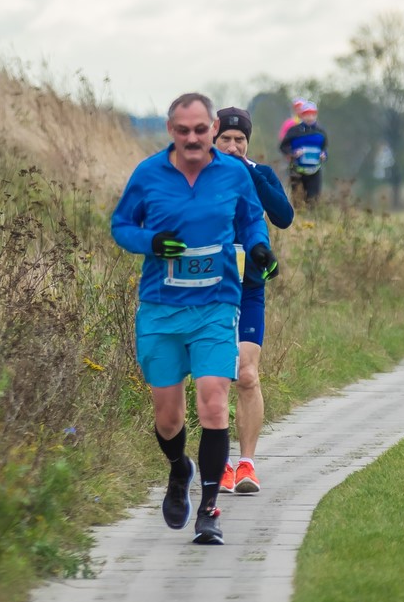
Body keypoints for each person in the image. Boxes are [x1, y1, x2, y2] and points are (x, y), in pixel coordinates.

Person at [112, 93, 277, 546]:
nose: (192, 138)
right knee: (168, 419)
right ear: (171, 130)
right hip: (161, 308)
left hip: (216, 304)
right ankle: (178, 468)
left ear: (212, 129)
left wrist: (259, 247)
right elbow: (121, 226)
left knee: (213, 401)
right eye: (183, 130)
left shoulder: (233, 174)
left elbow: (252, 221)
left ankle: (208, 510)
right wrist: (150, 242)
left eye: (200, 130)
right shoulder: (149, 174)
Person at [212, 107, 294, 495]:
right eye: (225, 139)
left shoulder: (259, 173)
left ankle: (246, 464)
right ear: (213, 140)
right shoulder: (198, 176)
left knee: (246, 374)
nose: (232, 146)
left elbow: (284, 216)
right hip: (209, 287)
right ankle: (219, 463)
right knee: (216, 374)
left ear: (248, 142)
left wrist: (251, 176)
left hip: (249, 285)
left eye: (240, 140)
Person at [278, 100, 328, 205]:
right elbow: (283, 146)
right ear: (302, 116)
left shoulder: (321, 131)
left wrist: (324, 155)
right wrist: (293, 153)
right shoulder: (294, 130)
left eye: (312, 114)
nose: (310, 117)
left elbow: (324, 148)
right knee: (297, 200)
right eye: (307, 114)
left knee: (313, 201)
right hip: (297, 170)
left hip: (315, 171)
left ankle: (311, 215)